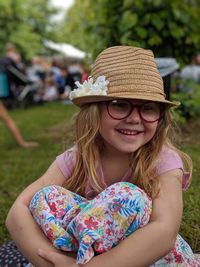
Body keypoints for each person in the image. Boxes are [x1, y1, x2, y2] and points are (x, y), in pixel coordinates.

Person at [5, 46, 200, 267]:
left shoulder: (162, 160)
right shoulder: (78, 157)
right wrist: (51, 260)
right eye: (120, 105)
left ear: (160, 116)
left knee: (127, 196)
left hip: (150, 259)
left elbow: (164, 233)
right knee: (45, 197)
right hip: (82, 259)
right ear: (94, 110)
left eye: (148, 108)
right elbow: (17, 211)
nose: (135, 118)